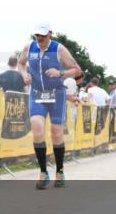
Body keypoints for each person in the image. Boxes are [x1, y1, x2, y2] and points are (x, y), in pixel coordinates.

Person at [17, 22, 82, 189]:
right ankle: (43, 172)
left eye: (43, 36)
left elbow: (77, 70)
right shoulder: (29, 47)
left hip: (56, 94)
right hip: (37, 94)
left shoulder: (59, 49)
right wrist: (24, 74)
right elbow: (21, 63)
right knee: (37, 127)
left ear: (50, 34)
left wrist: (59, 73)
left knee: (56, 133)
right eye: (37, 35)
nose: (40, 39)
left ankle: (59, 171)